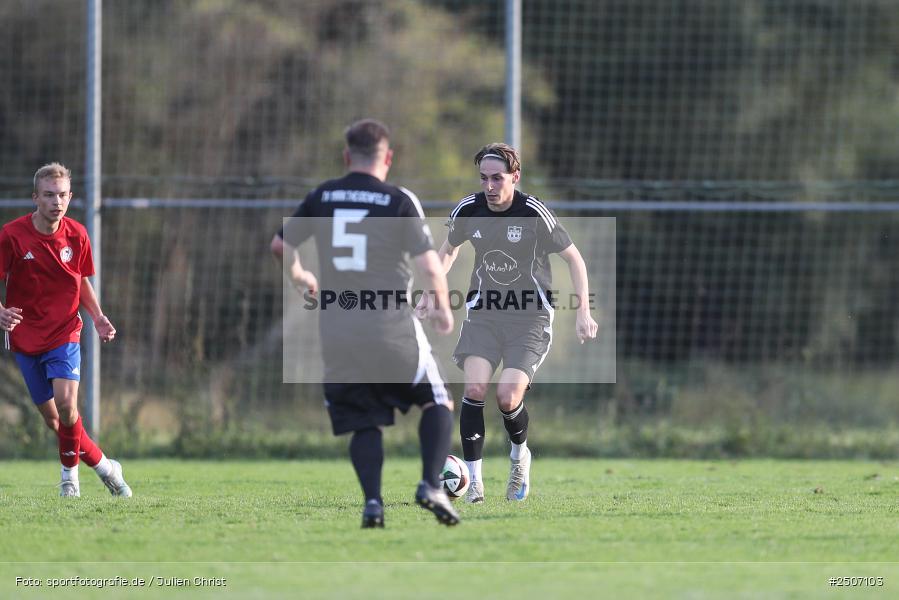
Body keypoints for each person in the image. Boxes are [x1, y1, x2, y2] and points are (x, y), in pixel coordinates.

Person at [271, 119, 459, 528]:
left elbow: (280, 245)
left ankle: (373, 503)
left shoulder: (323, 196)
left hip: (337, 328)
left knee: (364, 419)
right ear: (387, 158)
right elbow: (429, 264)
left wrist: (301, 277)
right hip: (389, 323)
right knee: (437, 399)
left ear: (346, 156)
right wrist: (442, 306)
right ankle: (430, 484)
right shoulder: (397, 200)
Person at [420, 142, 598, 503]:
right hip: (484, 314)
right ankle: (475, 484)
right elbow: (449, 250)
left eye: (497, 178)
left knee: (507, 396)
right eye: (484, 178)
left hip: (530, 319)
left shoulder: (533, 212)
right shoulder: (469, 209)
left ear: (515, 177)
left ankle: (520, 457)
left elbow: (574, 259)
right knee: (473, 390)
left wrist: (583, 312)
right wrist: (431, 291)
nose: (489, 186)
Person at [0, 162, 132, 498]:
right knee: (56, 422)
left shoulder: (77, 234)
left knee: (67, 404)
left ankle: (68, 479)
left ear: (70, 197)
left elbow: (81, 280)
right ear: (35, 198)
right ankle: (105, 466)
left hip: (64, 332)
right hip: (25, 336)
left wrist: (98, 317)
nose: (56, 201)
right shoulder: (12, 236)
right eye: (48, 195)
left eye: (61, 195)